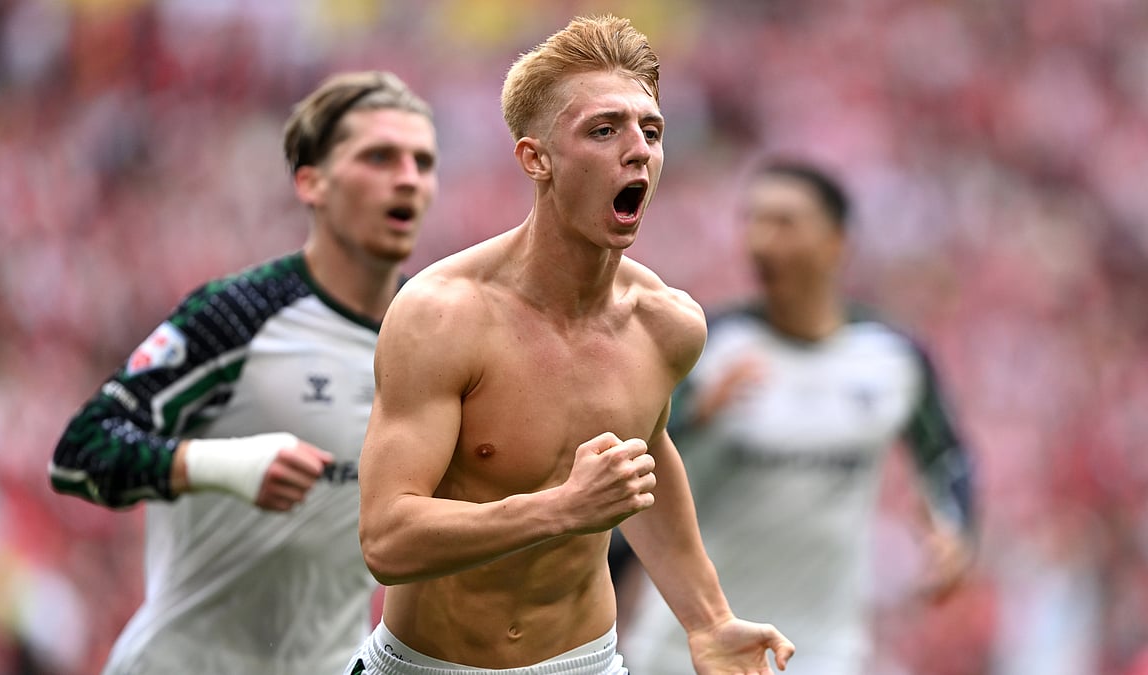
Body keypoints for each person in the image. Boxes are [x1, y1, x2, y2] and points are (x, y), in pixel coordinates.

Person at [347, 15, 795, 675]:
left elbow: (644, 459)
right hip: (425, 665)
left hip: (584, 662)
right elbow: (386, 538)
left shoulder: (667, 325)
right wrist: (559, 508)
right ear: (537, 158)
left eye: (652, 129)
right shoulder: (441, 316)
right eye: (604, 129)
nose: (637, 147)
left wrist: (709, 619)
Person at [48, 70, 438, 674]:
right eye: (380, 157)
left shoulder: (436, 340)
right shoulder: (239, 315)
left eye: (422, 161)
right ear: (312, 182)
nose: (408, 178)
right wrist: (221, 466)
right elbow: (80, 450)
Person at [620, 160, 977, 675]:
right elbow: (629, 464)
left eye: (783, 222)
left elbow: (945, 455)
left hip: (823, 651)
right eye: (753, 221)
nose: (761, 240)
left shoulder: (892, 359)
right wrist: (696, 413)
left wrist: (956, 532)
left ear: (836, 242)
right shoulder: (703, 346)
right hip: (693, 645)